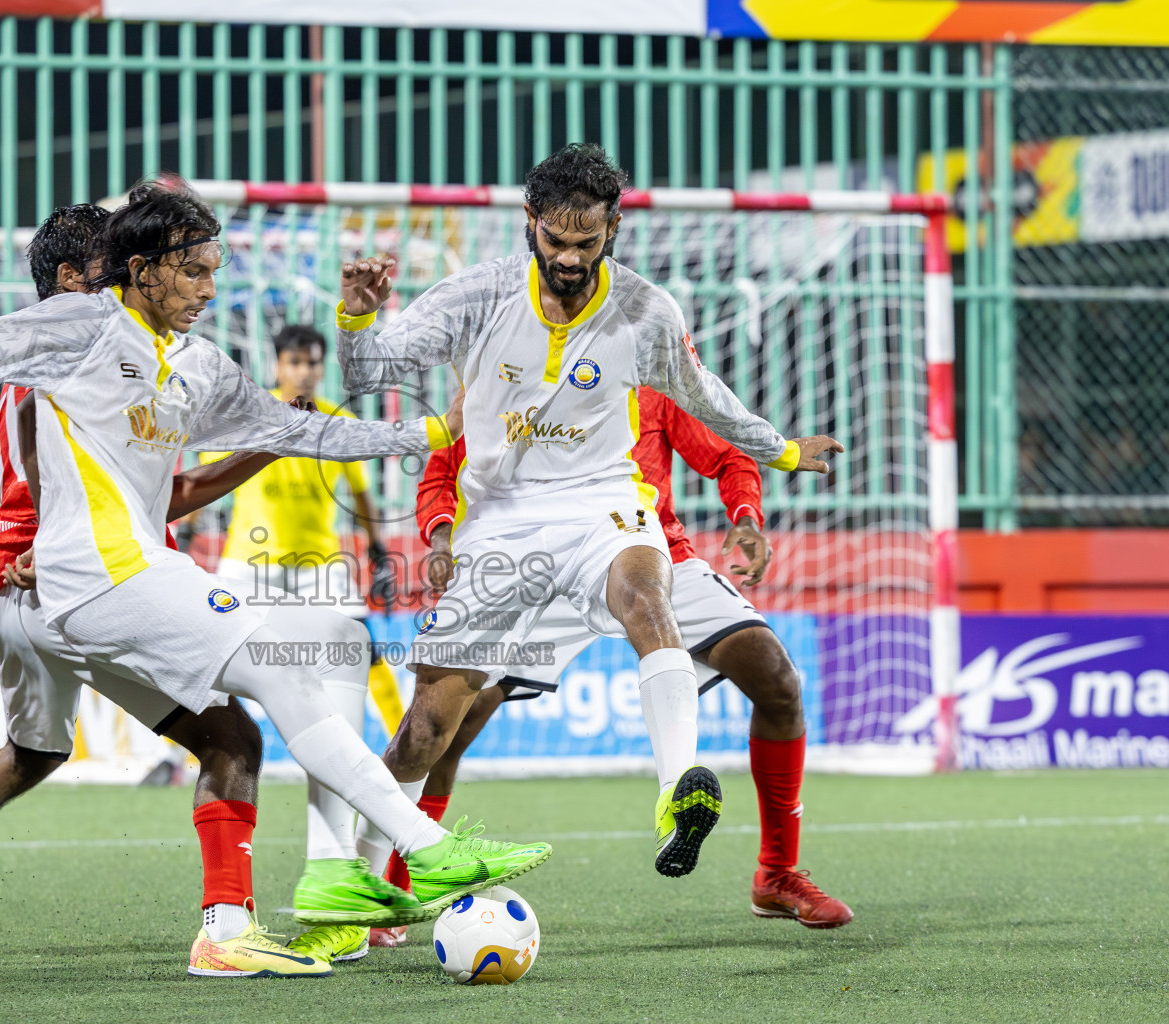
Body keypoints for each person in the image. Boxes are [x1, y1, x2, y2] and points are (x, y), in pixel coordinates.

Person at [0, 182, 553, 964]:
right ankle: (410, 855)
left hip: (61, 590)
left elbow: (297, 431)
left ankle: (222, 931)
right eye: (193, 271)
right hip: (92, 576)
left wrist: (436, 429)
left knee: (196, 735)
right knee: (286, 663)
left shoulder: (196, 365)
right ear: (137, 270)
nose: (209, 288)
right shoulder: (75, 327)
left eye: (212, 271)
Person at [0, 203, 336, 978]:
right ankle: (227, 928)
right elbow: (111, 494)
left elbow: (155, 488)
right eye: (117, 266)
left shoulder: (52, 360)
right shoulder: (74, 358)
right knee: (232, 738)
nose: (136, 276)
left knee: (30, 753)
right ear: (68, 280)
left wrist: (261, 447)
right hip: (84, 587)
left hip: (14, 592)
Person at [333, 144, 841, 887]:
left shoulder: (645, 311)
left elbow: (709, 401)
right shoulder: (476, 295)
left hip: (603, 501)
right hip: (500, 522)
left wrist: (784, 453)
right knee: (428, 730)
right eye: (556, 241)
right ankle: (365, 881)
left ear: (615, 227)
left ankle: (677, 792)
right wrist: (355, 317)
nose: (570, 259)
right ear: (529, 221)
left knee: (646, 593)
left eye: (588, 243)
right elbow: (369, 372)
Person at [369, 387, 853, 944]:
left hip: (646, 552)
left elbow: (725, 453)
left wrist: (744, 515)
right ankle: (394, 883)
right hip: (535, 562)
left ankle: (776, 873)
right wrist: (442, 537)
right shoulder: (506, 373)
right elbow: (439, 476)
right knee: (450, 723)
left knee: (777, 680)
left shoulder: (648, 376)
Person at [201, 322, 408, 964]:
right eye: (295, 360)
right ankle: (187, 751)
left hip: (321, 568)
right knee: (203, 672)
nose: (305, 371)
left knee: (357, 668)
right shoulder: (253, 411)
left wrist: (375, 549)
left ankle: (389, 757)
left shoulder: (332, 425)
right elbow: (205, 469)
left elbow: (362, 493)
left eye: (314, 363)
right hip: (251, 568)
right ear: (278, 362)